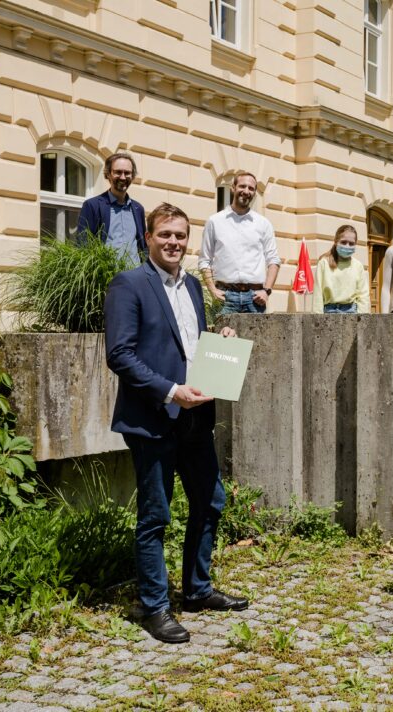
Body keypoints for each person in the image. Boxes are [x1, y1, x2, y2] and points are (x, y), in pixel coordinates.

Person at [105, 203, 248, 644]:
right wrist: (171, 391)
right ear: (148, 237)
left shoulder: (190, 287)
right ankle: (154, 607)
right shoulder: (129, 284)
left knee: (210, 502)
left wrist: (218, 341)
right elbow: (120, 355)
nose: (173, 242)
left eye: (181, 235)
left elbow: (189, 347)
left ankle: (198, 590)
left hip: (196, 417)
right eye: (165, 234)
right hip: (153, 418)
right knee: (156, 516)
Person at [198, 172, 281, 314]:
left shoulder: (263, 223)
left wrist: (266, 291)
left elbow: (273, 260)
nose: (246, 191)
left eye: (251, 188)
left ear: (254, 193)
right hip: (225, 297)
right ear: (233, 188)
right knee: (221, 337)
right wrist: (213, 290)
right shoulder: (215, 221)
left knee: (256, 337)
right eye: (242, 186)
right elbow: (204, 261)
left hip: (255, 298)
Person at [76, 152, 146, 264]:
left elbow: (143, 247)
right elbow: (83, 245)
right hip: (106, 277)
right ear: (108, 174)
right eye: (118, 172)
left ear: (132, 176)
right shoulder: (92, 205)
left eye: (127, 173)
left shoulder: (138, 209)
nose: (123, 177)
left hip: (135, 277)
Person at [313, 225, 371, 313]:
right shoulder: (324, 263)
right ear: (336, 242)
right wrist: (316, 317)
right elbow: (318, 293)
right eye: (343, 242)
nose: (347, 246)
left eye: (351, 243)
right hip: (329, 311)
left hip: (351, 311)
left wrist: (363, 317)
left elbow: (363, 294)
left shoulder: (357, 265)